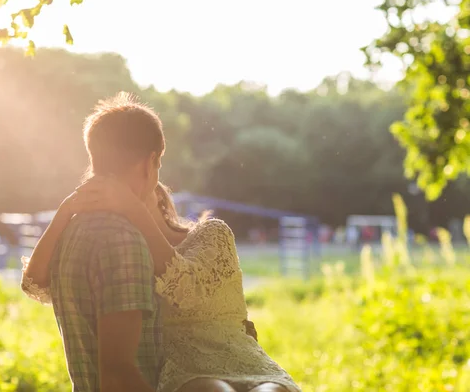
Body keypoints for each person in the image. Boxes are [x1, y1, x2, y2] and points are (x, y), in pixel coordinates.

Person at [21, 92, 301, 392]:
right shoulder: (123, 248)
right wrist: (66, 211)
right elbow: (34, 283)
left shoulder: (212, 235)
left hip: (248, 365)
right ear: (152, 163)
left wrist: (133, 209)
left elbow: (188, 291)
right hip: (186, 374)